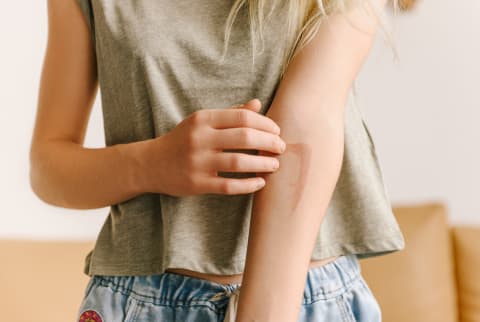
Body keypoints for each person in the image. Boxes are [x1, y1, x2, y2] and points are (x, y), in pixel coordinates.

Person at [30, 0, 404, 321]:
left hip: (299, 304)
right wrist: (152, 164)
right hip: (137, 303)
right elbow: (48, 166)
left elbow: (307, 123)